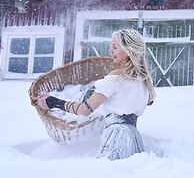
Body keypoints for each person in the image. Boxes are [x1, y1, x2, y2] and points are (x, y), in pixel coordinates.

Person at [37, 29, 156, 160]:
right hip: (133, 137)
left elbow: (84, 110)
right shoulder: (144, 81)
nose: (110, 50)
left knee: (111, 174)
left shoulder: (115, 78)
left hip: (116, 137)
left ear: (128, 51)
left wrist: (53, 102)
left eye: (115, 47)